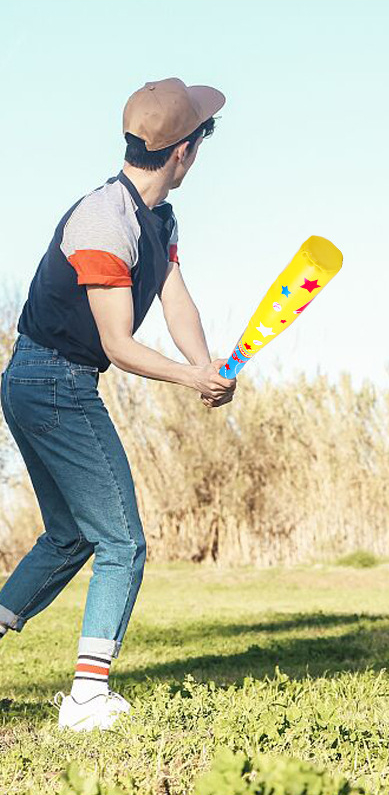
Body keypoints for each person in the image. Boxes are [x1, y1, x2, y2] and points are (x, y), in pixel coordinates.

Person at [0, 78, 236, 730]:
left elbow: (174, 297)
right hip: (53, 382)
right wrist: (191, 383)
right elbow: (119, 344)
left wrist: (204, 366)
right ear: (186, 151)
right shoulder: (106, 218)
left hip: (43, 380)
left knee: (69, 536)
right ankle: (86, 700)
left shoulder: (156, 218)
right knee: (122, 541)